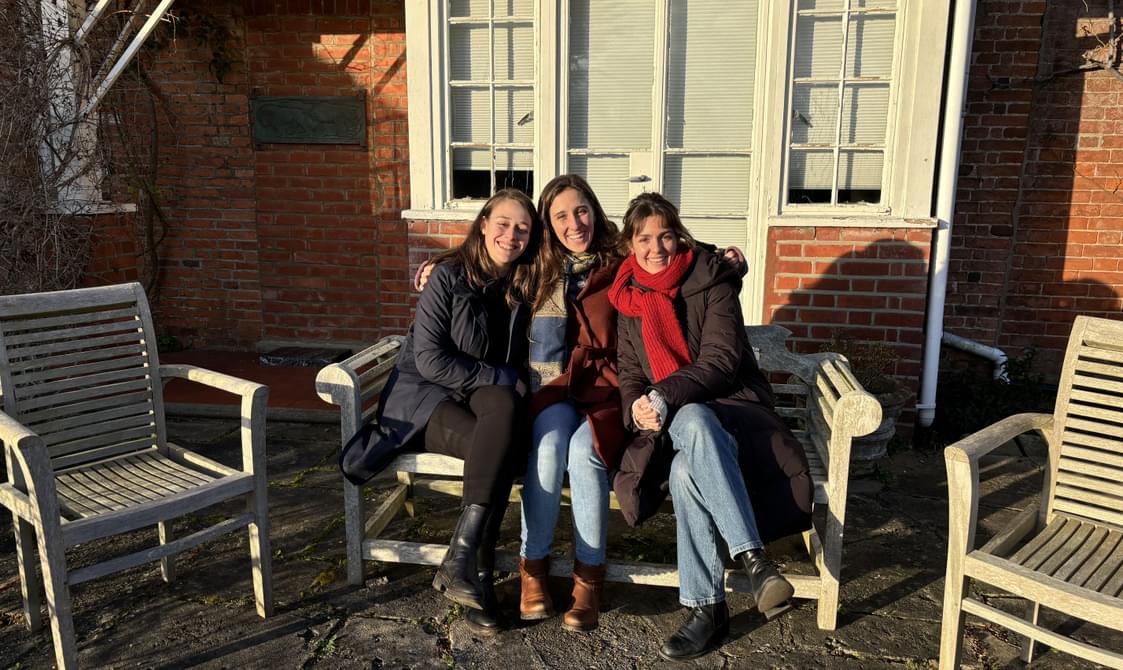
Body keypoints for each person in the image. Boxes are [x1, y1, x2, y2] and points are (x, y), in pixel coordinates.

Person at [609, 192, 813, 662]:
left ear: (678, 234)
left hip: (735, 408)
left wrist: (663, 394)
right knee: (686, 454)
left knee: (692, 439)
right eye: (644, 238)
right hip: (670, 422)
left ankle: (714, 602)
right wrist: (636, 408)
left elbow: (721, 362)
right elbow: (631, 375)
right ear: (630, 244)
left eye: (664, 235)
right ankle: (751, 570)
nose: (655, 247)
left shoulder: (713, 279)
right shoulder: (627, 300)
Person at [340, 188, 548, 633]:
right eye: (504, 223)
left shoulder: (524, 282)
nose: (511, 235)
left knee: (504, 416)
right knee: (500, 447)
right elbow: (431, 360)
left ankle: (460, 562)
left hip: (477, 395)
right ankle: (479, 576)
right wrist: (499, 379)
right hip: (425, 398)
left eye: (523, 229)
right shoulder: (448, 276)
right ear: (485, 223)